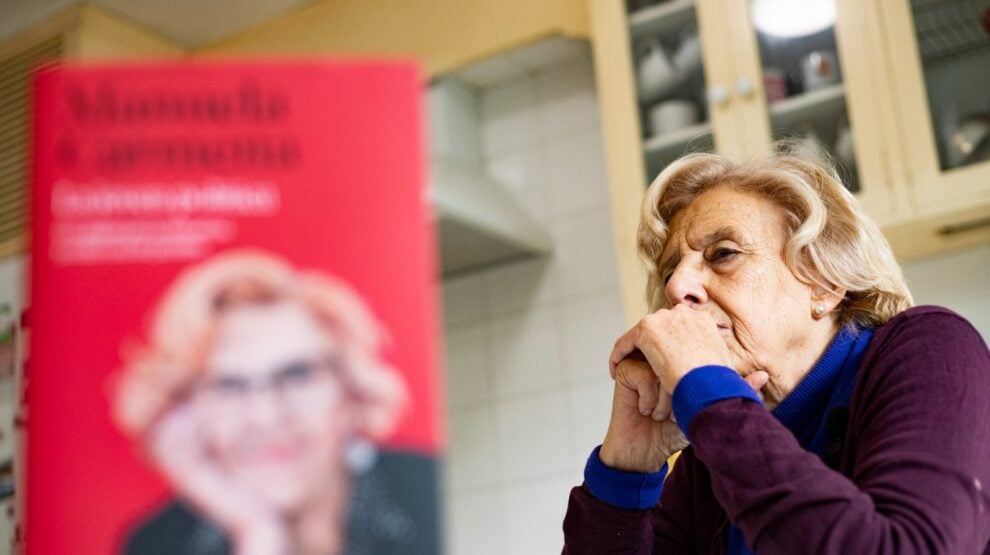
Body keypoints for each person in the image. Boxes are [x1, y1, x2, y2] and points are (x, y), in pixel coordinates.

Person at [562, 149, 990, 554]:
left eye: (723, 254)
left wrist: (709, 391)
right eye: (672, 270)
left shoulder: (930, 348)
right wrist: (626, 465)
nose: (676, 287)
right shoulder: (709, 455)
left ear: (823, 280)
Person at [112, 249, 436, 555]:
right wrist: (258, 535)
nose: (266, 417)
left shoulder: (428, 493)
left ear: (350, 392)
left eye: (298, 375)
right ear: (183, 414)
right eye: (228, 386)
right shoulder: (157, 543)